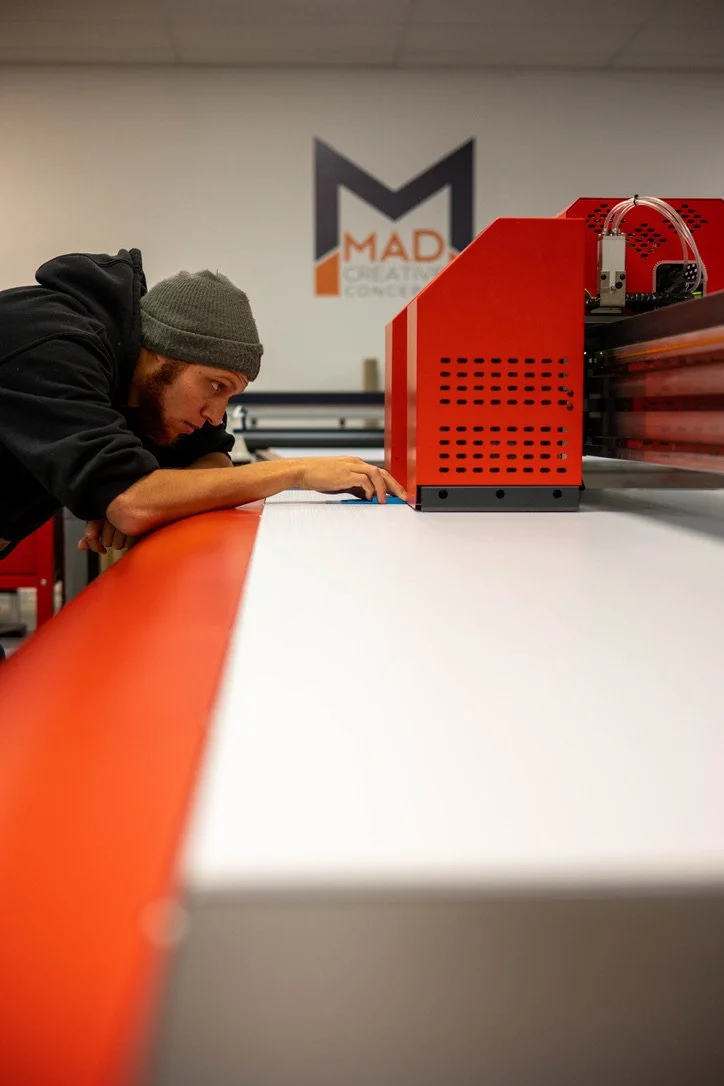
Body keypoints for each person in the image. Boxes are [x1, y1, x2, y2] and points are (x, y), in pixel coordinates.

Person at [0, 249, 405, 568]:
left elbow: (212, 459)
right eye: (215, 386)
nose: (215, 414)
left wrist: (140, 492)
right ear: (161, 354)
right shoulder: (53, 344)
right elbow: (133, 504)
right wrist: (294, 472)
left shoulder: (151, 386)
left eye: (229, 396)